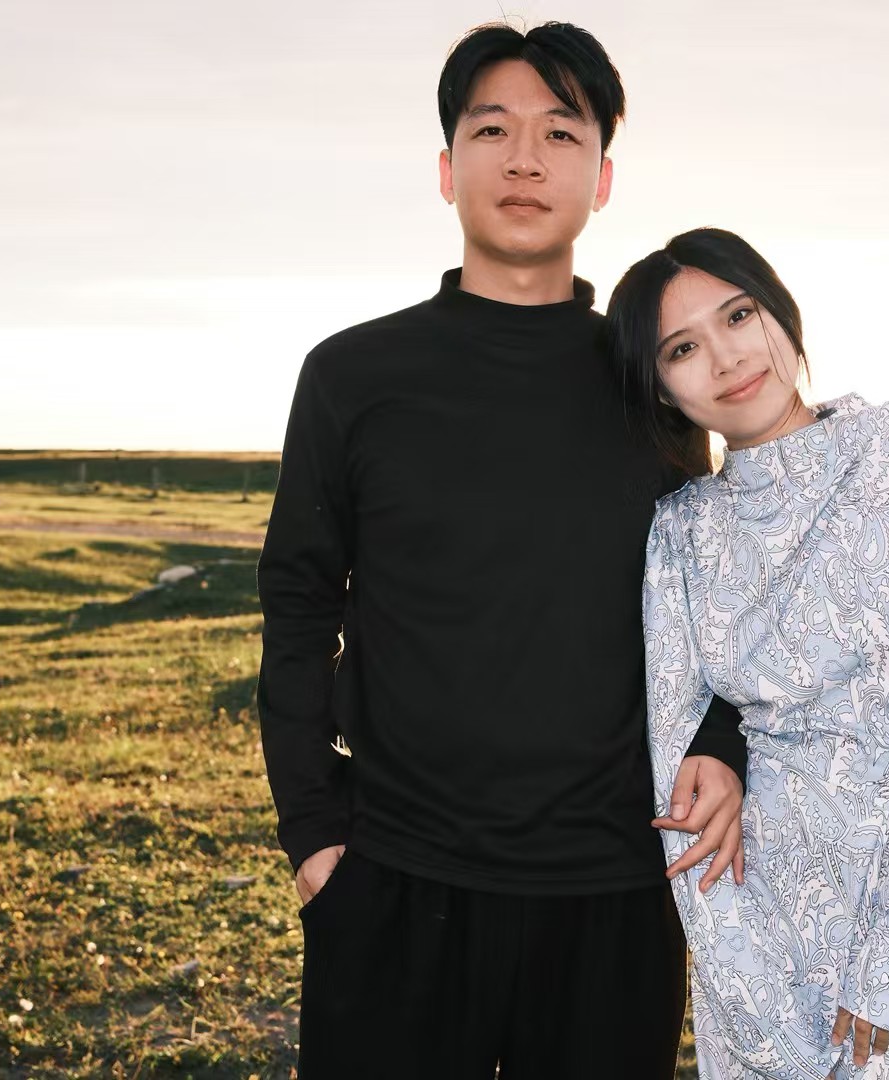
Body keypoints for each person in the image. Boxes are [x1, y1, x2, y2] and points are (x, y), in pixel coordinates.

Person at [255, 24, 750, 1080]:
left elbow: (719, 606)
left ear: (602, 179)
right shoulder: (351, 376)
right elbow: (297, 605)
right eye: (493, 131)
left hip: (616, 897)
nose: (526, 160)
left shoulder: (656, 387)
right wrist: (314, 838)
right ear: (447, 169)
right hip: (393, 886)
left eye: (560, 133)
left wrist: (725, 745)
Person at [607, 227, 889, 1080]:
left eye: (739, 315)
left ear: (781, 311)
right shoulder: (682, 535)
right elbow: (677, 781)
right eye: (683, 349)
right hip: (760, 940)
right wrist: (746, 994)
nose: (727, 357)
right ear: (660, 389)